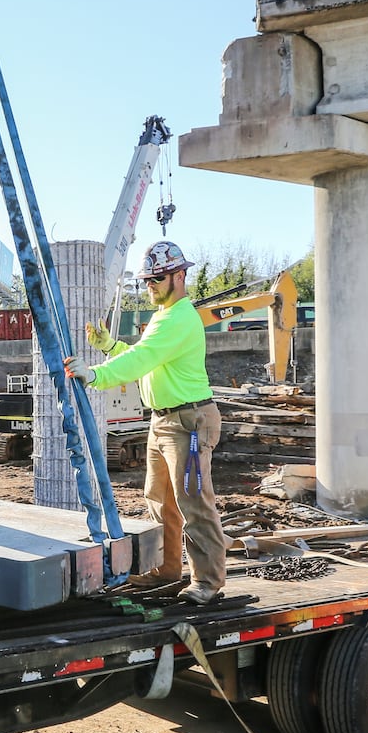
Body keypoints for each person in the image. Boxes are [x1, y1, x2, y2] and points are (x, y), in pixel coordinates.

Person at [63, 240, 225, 606]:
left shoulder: (181, 317)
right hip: (163, 421)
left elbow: (144, 357)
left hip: (188, 422)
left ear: (180, 276)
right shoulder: (163, 318)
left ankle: (209, 580)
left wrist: (96, 375)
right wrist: (110, 346)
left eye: (158, 278)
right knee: (159, 500)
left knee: (193, 502)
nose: (150, 285)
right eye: (147, 280)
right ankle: (168, 568)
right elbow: (144, 359)